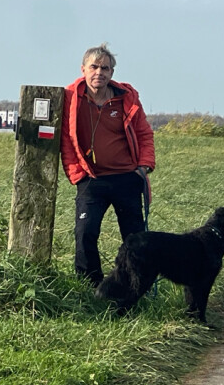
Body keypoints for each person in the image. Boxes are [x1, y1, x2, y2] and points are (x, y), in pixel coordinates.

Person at [61, 44, 156, 286]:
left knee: (135, 238)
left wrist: (143, 167)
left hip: (127, 178)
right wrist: (78, 176)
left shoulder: (126, 99)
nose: (99, 73)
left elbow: (144, 134)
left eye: (105, 68)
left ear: (112, 73)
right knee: (85, 233)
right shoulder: (71, 98)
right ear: (83, 69)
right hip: (91, 179)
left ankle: (133, 286)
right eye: (94, 67)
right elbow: (65, 140)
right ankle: (90, 287)